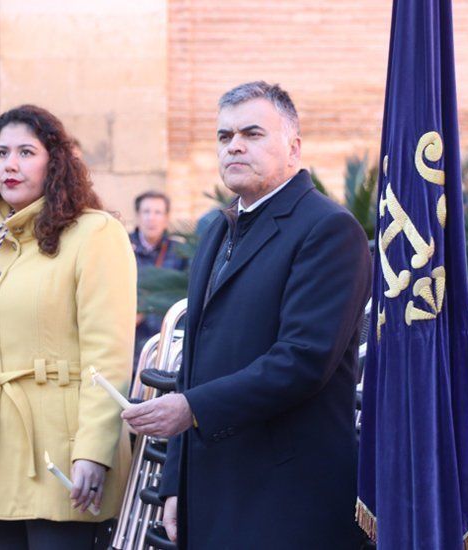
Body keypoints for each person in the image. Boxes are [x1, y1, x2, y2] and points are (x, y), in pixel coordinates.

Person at [122, 81, 371, 548]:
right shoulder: (217, 227)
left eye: (252, 134)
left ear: (293, 148)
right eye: (224, 136)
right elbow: (190, 367)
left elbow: (302, 360)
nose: (234, 145)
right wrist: (177, 482)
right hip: (212, 486)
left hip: (287, 498)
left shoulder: (329, 229)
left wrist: (192, 409)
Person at [0, 105, 135, 549]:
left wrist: (93, 451)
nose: (10, 163)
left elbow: (109, 354)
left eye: (26, 151)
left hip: (60, 458)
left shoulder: (95, 233)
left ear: (56, 161)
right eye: (2, 152)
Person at [130, 191, 188, 362]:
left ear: (166, 217)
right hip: (128, 340)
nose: (151, 218)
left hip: (165, 344)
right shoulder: (121, 246)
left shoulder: (181, 252)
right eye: (146, 212)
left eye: (158, 212)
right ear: (138, 216)